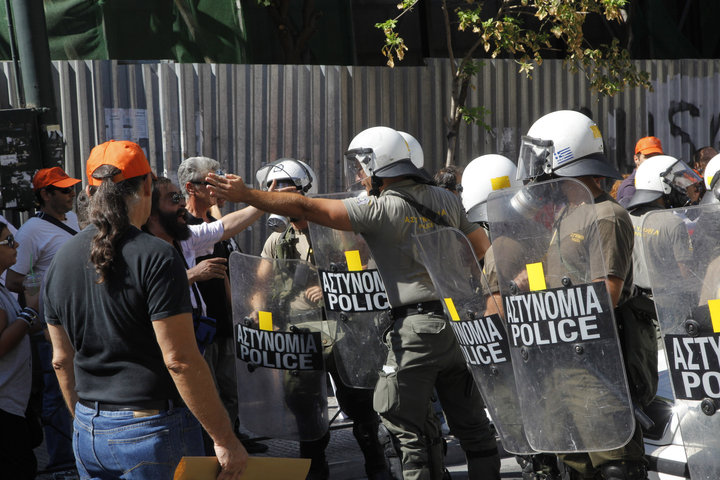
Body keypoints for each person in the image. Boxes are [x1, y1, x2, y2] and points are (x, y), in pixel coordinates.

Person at [207, 126, 500, 480]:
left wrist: (247, 194)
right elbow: (482, 249)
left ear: (380, 166)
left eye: (362, 169)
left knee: (402, 426)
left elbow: (305, 206)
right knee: (474, 431)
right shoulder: (447, 199)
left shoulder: (380, 208)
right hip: (456, 325)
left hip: (416, 332)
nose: (359, 177)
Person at [42, 139, 248, 479]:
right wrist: (225, 438)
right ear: (147, 186)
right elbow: (180, 360)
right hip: (152, 429)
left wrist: (84, 420)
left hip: (89, 430)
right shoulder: (156, 255)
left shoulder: (61, 260)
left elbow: (61, 360)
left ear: (91, 193)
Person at [504, 110, 653, 480]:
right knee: (573, 465)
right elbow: (565, 275)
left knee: (614, 466)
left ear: (564, 156)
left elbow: (608, 293)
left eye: (541, 156)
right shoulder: (568, 212)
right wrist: (528, 282)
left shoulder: (605, 215)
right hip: (560, 359)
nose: (536, 167)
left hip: (597, 366)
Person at [256, 157, 390, 480]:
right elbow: (260, 286)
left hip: (344, 328)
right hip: (301, 333)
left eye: (288, 193)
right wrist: (260, 320)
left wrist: (329, 289)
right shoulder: (278, 240)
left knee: (360, 404)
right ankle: (315, 470)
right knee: (304, 409)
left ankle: (377, 465)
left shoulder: (339, 230)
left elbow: (365, 274)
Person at [176, 156, 267, 454]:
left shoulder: (214, 225)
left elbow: (224, 273)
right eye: (213, 182)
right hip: (198, 328)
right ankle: (213, 449)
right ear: (191, 188)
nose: (220, 189)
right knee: (208, 393)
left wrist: (239, 312)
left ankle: (232, 438)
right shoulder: (180, 229)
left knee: (232, 389)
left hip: (224, 324)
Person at [6, 166, 81, 472]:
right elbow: (14, 281)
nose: (71, 194)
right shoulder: (30, 231)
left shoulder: (74, 218)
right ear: (45, 195)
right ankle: (62, 461)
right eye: (64, 190)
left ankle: (78, 454)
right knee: (57, 390)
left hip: (80, 321)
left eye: (71, 188)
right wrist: (35, 309)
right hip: (53, 326)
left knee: (79, 387)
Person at [0, 223, 43, 479]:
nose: (15, 245)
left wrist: (32, 311)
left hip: (14, 403)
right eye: (8, 242)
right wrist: (29, 312)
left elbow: (24, 328)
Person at [625, 155, 699, 293]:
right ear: (663, 185)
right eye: (677, 182)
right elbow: (686, 273)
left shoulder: (629, 217)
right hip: (668, 303)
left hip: (635, 301)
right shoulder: (673, 223)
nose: (682, 186)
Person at [615, 136, 663, 208]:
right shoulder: (630, 188)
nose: (653, 160)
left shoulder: (659, 182)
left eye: (657, 157)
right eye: (648, 157)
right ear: (636, 159)